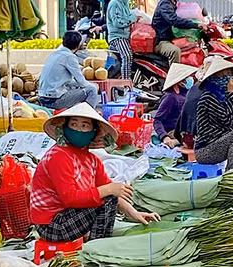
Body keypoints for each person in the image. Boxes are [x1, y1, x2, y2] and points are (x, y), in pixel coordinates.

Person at [31, 103, 160, 242]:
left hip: (66, 216)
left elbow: (111, 190)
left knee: (109, 196)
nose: (78, 130)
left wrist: (134, 213)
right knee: (107, 197)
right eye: (73, 125)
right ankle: (99, 245)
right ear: (65, 128)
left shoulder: (92, 160)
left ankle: (98, 243)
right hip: (51, 225)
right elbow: (71, 198)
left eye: (85, 126)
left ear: (94, 132)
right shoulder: (58, 156)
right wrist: (108, 189)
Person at [194, 58, 233, 171]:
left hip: (222, 142)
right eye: (226, 73)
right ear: (215, 76)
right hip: (206, 149)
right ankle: (232, 173)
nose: (230, 77)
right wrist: (232, 95)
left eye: (230, 74)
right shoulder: (209, 97)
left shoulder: (224, 96)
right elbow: (227, 121)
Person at [38, 31, 101, 109]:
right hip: (54, 101)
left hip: (43, 99)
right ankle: (89, 117)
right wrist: (93, 85)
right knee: (92, 90)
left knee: (76, 86)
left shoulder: (54, 54)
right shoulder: (69, 57)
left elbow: (69, 82)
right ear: (78, 45)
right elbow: (82, 82)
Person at [152, 0, 205, 65]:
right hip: (162, 41)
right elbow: (174, 20)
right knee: (175, 51)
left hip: (172, 39)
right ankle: (175, 77)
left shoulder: (174, 4)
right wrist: (196, 25)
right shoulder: (164, 5)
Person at [175, 57, 216, 149]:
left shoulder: (194, 88)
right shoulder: (211, 91)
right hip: (201, 142)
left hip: (186, 136)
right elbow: (229, 121)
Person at [153, 63, 197, 147]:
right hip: (174, 131)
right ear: (180, 81)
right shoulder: (170, 97)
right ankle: (176, 141)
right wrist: (164, 137)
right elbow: (157, 120)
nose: (191, 79)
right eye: (187, 78)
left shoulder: (187, 93)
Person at [106, 0, 137, 79]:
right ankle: (125, 82)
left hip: (125, 36)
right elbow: (118, 22)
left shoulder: (124, 3)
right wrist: (133, 19)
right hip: (117, 37)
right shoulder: (114, 4)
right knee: (127, 56)